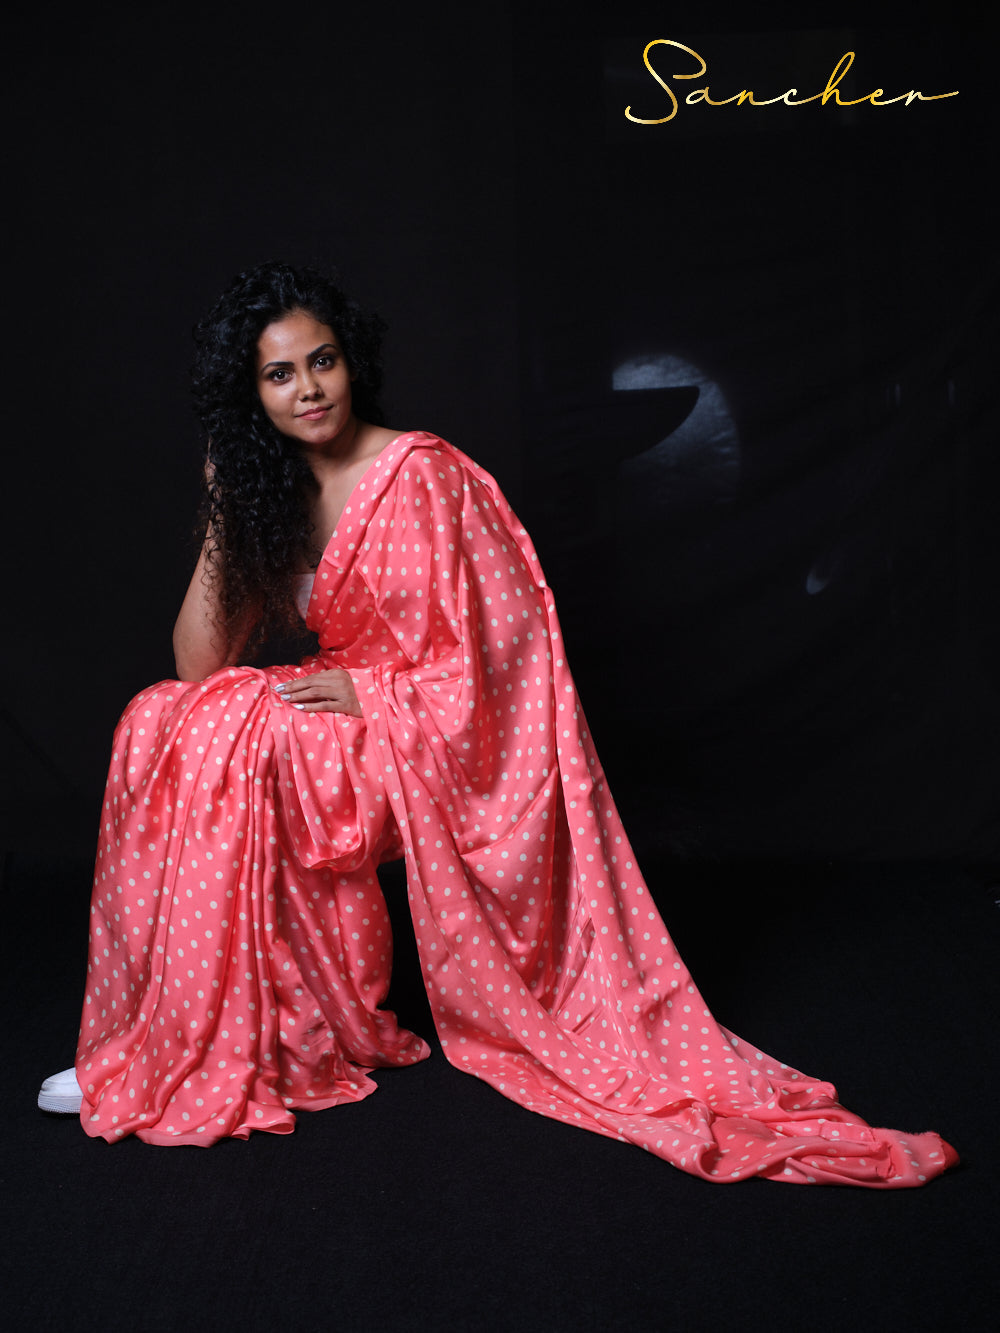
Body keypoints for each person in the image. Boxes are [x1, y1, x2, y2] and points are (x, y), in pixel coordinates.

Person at [39, 261, 957, 1184]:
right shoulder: (269, 495)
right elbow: (197, 663)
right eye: (279, 374)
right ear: (251, 395)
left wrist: (377, 693)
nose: (309, 388)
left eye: (322, 361)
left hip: (421, 736)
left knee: (222, 735)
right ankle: (177, 1036)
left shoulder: (424, 475)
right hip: (336, 718)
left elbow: (513, 667)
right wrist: (220, 511)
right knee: (163, 719)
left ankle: (193, 1045)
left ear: (350, 360)